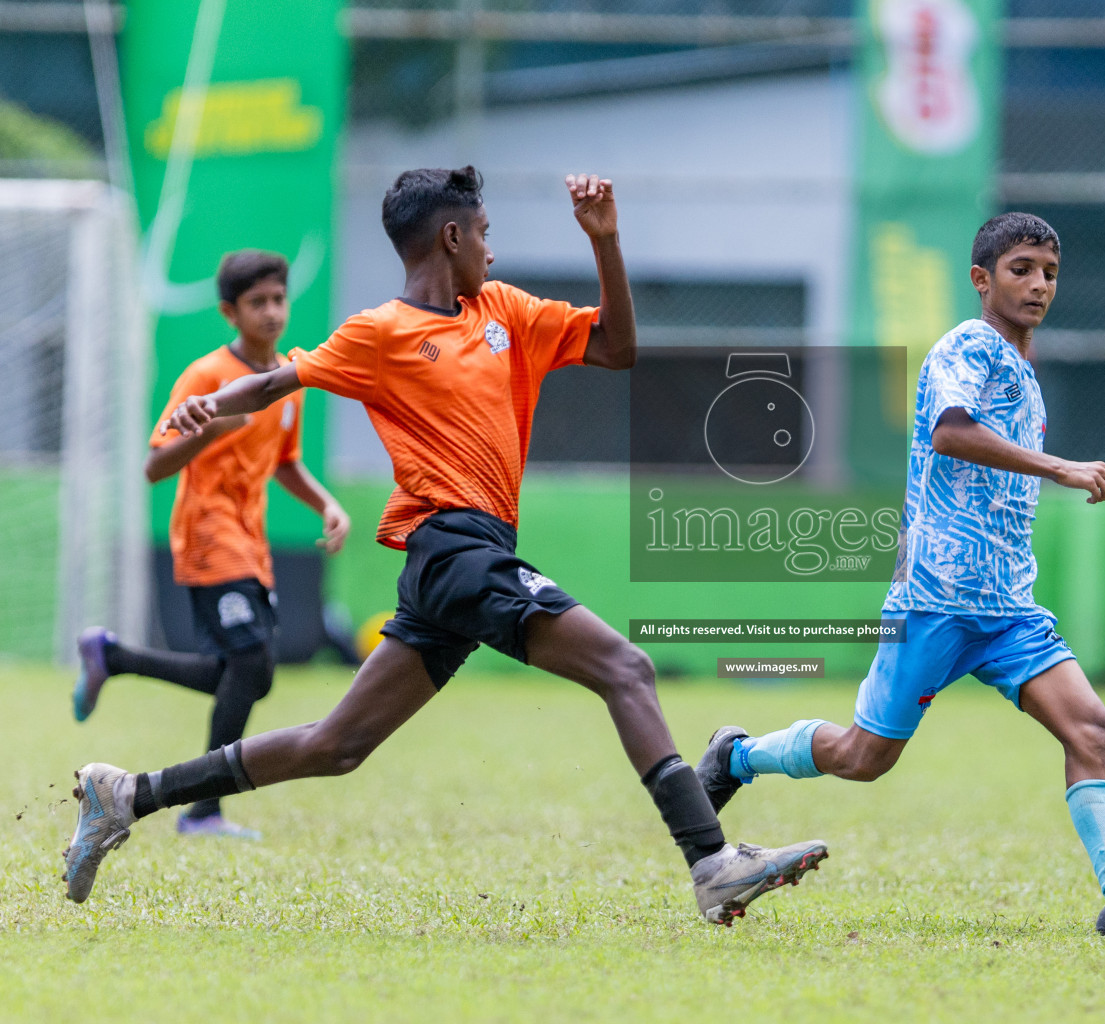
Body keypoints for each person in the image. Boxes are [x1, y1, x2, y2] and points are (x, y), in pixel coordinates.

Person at [62, 167, 827, 925]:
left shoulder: (506, 311)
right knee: (625, 668)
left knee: (336, 745)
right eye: (485, 235)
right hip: (455, 547)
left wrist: (607, 243)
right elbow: (276, 382)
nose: (492, 253)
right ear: (451, 237)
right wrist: (207, 406)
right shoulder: (380, 333)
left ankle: (128, 794)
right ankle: (711, 862)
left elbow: (618, 347)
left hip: (458, 559)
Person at [695, 213, 1105, 936]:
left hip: (1008, 608)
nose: (1038, 284)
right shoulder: (967, 347)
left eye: (1049, 272)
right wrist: (1061, 465)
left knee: (1095, 732)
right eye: (1021, 269)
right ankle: (740, 755)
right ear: (981, 279)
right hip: (935, 600)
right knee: (863, 756)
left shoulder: (1021, 366)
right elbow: (951, 430)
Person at [72, 250, 350, 840]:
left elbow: (287, 462)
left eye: (278, 299)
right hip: (206, 535)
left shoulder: (288, 382)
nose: (272, 312)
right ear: (231, 311)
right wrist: (208, 432)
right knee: (250, 665)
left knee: (247, 673)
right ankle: (203, 811)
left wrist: (327, 504)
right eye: (257, 303)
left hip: (252, 543)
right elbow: (154, 467)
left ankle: (112, 657)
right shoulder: (206, 378)